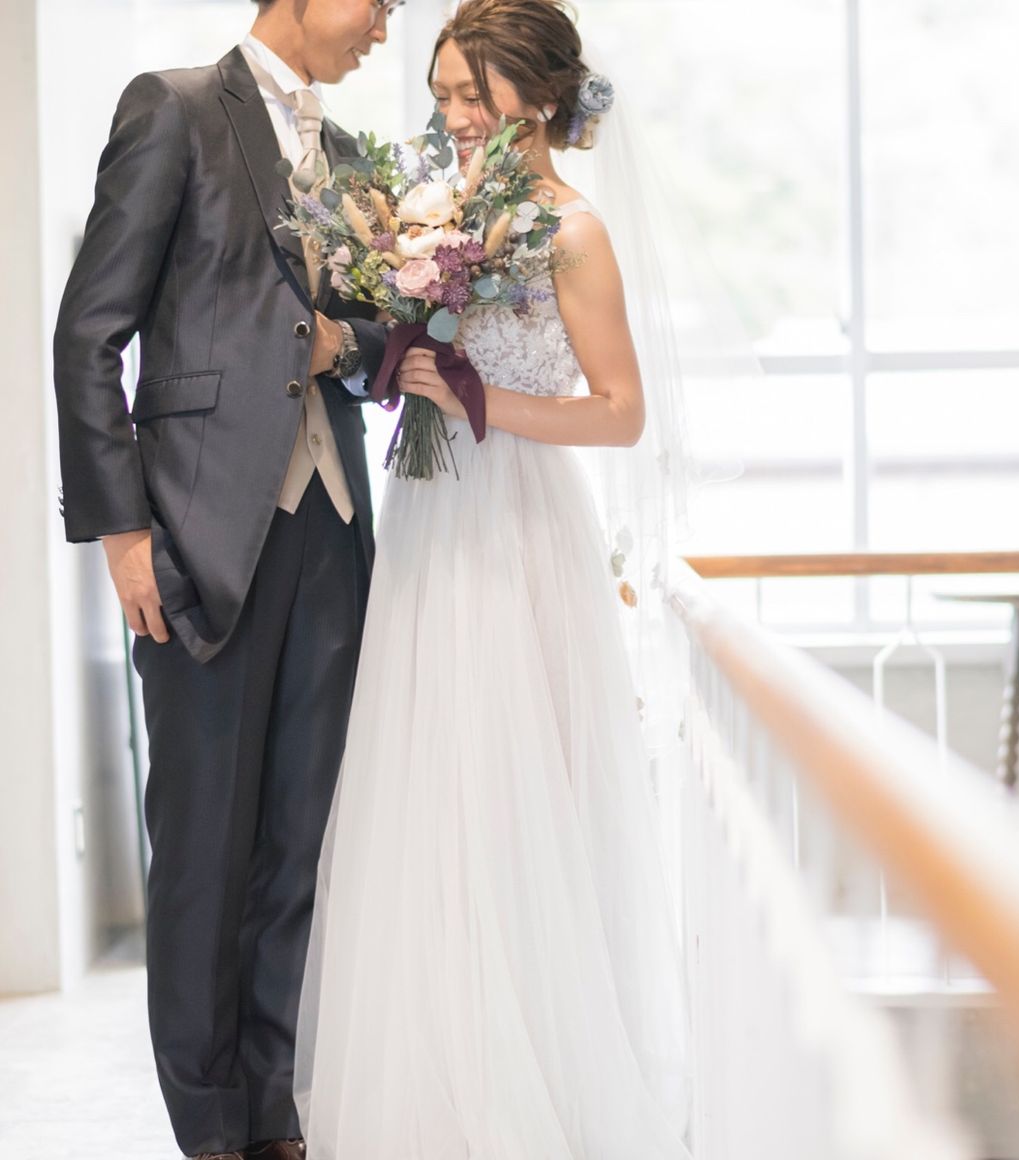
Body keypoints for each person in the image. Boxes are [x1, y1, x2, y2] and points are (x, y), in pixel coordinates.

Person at [293, 2, 693, 1156]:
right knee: (425, 785)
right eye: (443, 96)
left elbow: (619, 413)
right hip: (429, 514)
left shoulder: (573, 230)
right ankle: (433, 1090)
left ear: (540, 94)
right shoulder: (441, 210)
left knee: (510, 785)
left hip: (517, 522)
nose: (455, 116)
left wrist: (473, 398)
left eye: (473, 94)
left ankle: (528, 1091)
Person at [52, 2, 403, 1157]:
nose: (383, 25)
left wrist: (350, 344)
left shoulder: (348, 154)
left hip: (333, 527)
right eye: (377, 2)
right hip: (197, 533)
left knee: (302, 837)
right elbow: (88, 333)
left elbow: (375, 339)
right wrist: (122, 533)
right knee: (206, 841)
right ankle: (206, 1125)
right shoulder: (177, 109)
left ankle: (276, 1105)